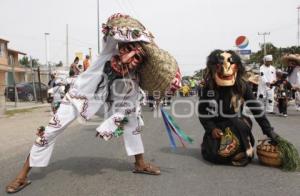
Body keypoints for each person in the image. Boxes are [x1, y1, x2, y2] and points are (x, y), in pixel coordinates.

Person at [6, 14, 163, 194]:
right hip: (77, 98)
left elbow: (127, 107)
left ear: (140, 64)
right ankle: (22, 176)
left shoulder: (132, 80)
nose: (128, 59)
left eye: (136, 58)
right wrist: (143, 36)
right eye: (128, 52)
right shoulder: (107, 53)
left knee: (133, 120)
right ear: (121, 49)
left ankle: (140, 163)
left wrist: (110, 124)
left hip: (106, 107)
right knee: (50, 131)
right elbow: (112, 33)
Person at [199, 50, 279, 166]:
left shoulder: (242, 85)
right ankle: (211, 145)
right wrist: (211, 128)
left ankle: (242, 149)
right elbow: (202, 111)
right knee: (215, 155)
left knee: (236, 137)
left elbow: (255, 108)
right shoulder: (209, 87)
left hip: (238, 124)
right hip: (218, 126)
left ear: (237, 68)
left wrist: (269, 131)